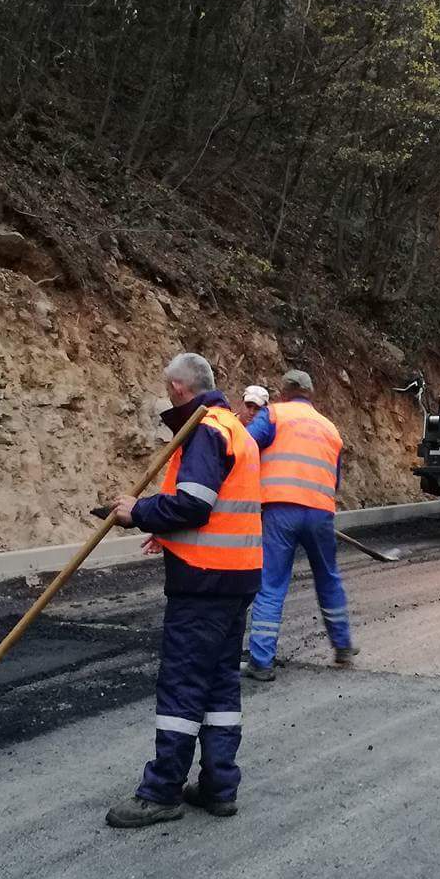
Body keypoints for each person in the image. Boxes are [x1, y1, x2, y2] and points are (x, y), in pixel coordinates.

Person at [104, 353, 264, 827]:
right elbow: (217, 507)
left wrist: (139, 511)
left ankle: (162, 792)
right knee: (219, 684)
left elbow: (194, 504)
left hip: (203, 582)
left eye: (167, 389)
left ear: (177, 388)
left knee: (183, 684)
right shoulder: (234, 428)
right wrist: (165, 528)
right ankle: (219, 786)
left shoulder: (205, 429)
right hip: (236, 577)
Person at [243, 369, 356, 682]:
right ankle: (343, 645)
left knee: (271, 583)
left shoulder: (274, 414)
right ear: (311, 395)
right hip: (320, 512)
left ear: (283, 393)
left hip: (280, 510)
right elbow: (334, 480)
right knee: (328, 577)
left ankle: (261, 661)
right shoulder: (330, 428)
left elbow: (245, 447)